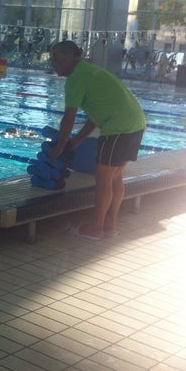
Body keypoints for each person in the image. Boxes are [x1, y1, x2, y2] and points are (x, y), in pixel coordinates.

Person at [47, 40, 146, 240]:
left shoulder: (75, 78)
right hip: (136, 123)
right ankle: (109, 226)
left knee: (103, 178)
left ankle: (96, 228)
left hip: (119, 127)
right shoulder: (90, 71)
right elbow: (95, 115)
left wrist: (59, 148)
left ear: (69, 57)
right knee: (115, 176)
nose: (52, 62)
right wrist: (77, 140)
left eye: (55, 58)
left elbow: (69, 117)